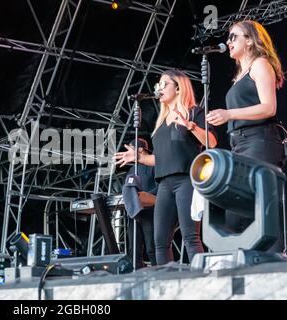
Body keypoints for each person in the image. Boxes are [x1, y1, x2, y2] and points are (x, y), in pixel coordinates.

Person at [115, 69, 217, 265]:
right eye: (158, 85)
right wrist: (139, 158)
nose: (159, 89)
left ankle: (203, 282)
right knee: (160, 241)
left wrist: (190, 126)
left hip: (186, 180)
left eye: (164, 84)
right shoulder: (161, 123)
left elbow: (211, 142)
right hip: (164, 184)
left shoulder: (194, 112)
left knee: (190, 237)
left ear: (178, 88)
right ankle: (166, 285)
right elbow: (162, 159)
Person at [205, 20, 285, 248]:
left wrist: (229, 114)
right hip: (239, 144)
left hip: (259, 140)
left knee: (262, 208)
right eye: (228, 38)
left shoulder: (260, 65)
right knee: (237, 212)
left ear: (249, 40)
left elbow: (269, 107)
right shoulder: (239, 75)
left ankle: (274, 267)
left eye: (233, 37)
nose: (228, 42)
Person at [122, 138, 157, 268]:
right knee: (134, 248)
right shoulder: (132, 170)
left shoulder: (154, 164)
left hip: (151, 211)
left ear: (140, 149)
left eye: (131, 149)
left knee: (151, 248)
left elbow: (162, 186)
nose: (128, 153)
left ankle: (159, 273)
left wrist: (145, 196)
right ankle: (136, 274)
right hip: (135, 212)